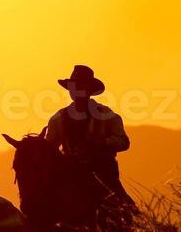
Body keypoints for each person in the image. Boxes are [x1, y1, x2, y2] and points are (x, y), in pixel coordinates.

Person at [44, 64, 133, 204]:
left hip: (103, 175)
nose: (77, 90)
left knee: (123, 206)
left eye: (81, 86)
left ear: (89, 90)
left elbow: (123, 142)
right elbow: (49, 149)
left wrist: (102, 143)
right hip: (69, 175)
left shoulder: (107, 115)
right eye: (74, 87)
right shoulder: (58, 119)